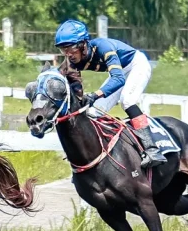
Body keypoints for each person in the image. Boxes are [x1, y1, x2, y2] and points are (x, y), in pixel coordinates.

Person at [53, 19, 165, 169]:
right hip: (120, 72)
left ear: (83, 44)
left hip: (136, 65)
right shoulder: (71, 62)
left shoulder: (103, 47)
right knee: (93, 111)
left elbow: (118, 79)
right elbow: (72, 86)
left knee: (127, 100)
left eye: (71, 48)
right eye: (63, 49)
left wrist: (95, 95)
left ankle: (152, 150)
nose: (68, 54)